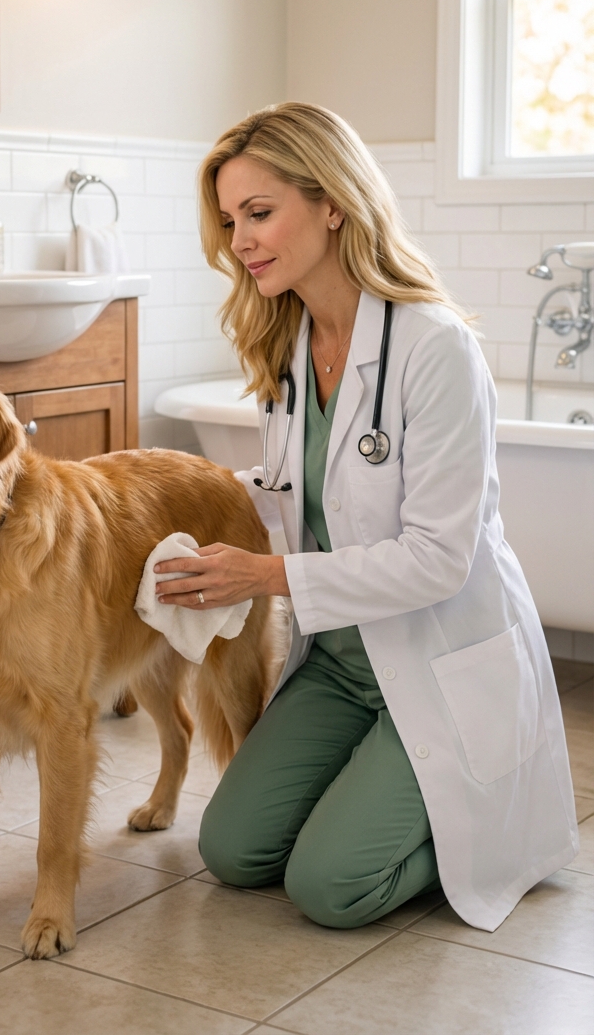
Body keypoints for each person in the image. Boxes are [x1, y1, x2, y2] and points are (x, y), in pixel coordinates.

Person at [153, 102, 577, 933]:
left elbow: (438, 559)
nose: (241, 240)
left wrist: (266, 575)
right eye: (232, 219)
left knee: (329, 887)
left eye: (261, 213)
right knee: (233, 852)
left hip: (437, 657)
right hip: (343, 664)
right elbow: (297, 485)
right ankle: (377, 793)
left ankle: (487, 839)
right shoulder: (287, 343)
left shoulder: (435, 347)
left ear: (334, 201)